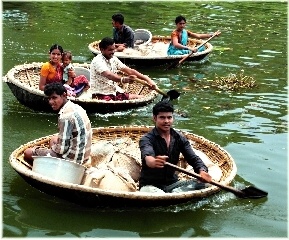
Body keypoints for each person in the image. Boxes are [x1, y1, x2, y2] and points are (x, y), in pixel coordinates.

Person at [139, 100, 212, 193]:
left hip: (173, 184)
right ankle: (173, 196)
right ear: (154, 118)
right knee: (149, 192)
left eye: (169, 117)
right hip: (151, 186)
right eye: (162, 118)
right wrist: (153, 162)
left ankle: (174, 194)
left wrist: (202, 171)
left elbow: (193, 159)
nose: (166, 121)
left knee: (206, 184)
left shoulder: (179, 138)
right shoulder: (146, 139)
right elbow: (147, 156)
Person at [24, 82, 92, 165]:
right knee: (53, 139)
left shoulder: (65, 117)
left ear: (64, 95)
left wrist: (40, 150)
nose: (51, 102)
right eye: (49, 98)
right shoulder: (76, 107)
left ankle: (51, 166)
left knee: (28, 152)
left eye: (54, 98)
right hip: (84, 155)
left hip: (73, 161)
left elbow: (62, 149)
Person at [90, 37, 156, 101]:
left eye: (113, 49)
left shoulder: (113, 58)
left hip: (113, 91)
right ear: (102, 50)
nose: (113, 52)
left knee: (142, 97)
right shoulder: (97, 61)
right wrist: (124, 79)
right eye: (110, 50)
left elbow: (129, 71)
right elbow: (109, 75)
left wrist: (147, 79)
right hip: (101, 94)